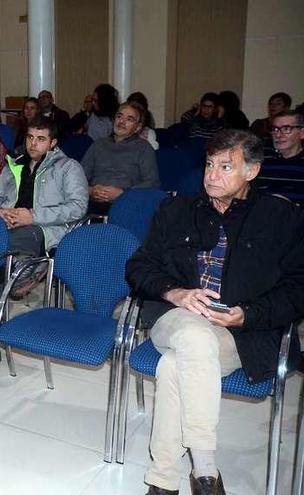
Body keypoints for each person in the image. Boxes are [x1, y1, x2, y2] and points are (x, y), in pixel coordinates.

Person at [125, 129, 304, 495]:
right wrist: (175, 293)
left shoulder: (280, 218)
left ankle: (162, 480)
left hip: (238, 330)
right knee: (191, 335)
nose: (211, 175)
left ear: (251, 172)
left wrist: (247, 314)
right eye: (209, 164)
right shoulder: (176, 210)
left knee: (174, 366)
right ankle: (205, 470)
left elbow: (297, 289)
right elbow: (139, 267)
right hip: (174, 319)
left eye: (226, 166)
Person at [0, 115, 88, 361]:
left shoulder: (68, 167)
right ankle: (21, 269)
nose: (33, 144)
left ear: (53, 143)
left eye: (40, 139)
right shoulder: (14, 164)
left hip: (44, 231)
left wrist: (33, 216)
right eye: (29, 138)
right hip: (7, 227)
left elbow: (78, 207)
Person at [80, 102, 160, 214]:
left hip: (126, 204)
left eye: (129, 119)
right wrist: (90, 191)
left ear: (138, 128)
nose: (121, 122)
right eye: (119, 116)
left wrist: (122, 193)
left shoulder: (144, 148)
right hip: (92, 203)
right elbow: (78, 178)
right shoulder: (98, 145)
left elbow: (152, 183)